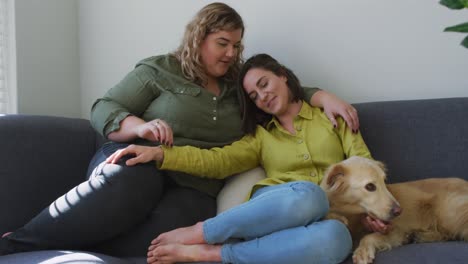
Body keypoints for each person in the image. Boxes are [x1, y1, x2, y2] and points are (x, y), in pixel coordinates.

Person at [0, 3, 360, 257]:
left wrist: (320, 95)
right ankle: (18, 243)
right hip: (142, 159)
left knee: (171, 233)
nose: (230, 54)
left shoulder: (239, 84)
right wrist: (142, 126)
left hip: (194, 181)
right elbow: (104, 108)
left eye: (236, 46)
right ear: (199, 37)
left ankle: (78, 248)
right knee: (135, 181)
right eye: (223, 44)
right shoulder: (161, 70)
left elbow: (276, 94)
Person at [106, 53, 373, 264]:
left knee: (337, 240)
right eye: (254, 96)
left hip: (327, 221)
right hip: (279, 211)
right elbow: (217, 161)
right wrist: (160, 153)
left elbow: (365, 166)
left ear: (283, 76)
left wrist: (373, 208)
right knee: (310, 195)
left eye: (264, 84)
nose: (262, 97)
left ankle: (212, 254)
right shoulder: (260, 137)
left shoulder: (332, 116)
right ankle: (202, 232)